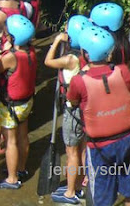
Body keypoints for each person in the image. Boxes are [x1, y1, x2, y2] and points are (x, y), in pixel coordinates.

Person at [67, 25, 130, 206]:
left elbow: (73, 101)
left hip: (101, 147)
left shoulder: (79, 81)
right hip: (129, 140)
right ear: (109, 53)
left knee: (102, 197)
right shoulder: (122, 70)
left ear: (85, 54)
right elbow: (128, 90)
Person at [44, 15, 91, 204]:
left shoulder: (70, 59)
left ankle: (70, 192)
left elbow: (48, 61)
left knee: (71, 152)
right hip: (86, 109)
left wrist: (55, 42)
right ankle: (79, 185)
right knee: (82, 149)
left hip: (73, 112)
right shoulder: (89, 55)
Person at [0, 14, 37, 189]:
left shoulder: (10, 57)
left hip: (10, 105)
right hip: (26, 102)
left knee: (10, 141)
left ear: (12, 38)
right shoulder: (31, 51)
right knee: (23, 136)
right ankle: (21, 169)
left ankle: (12, 178)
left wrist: (3, 51)